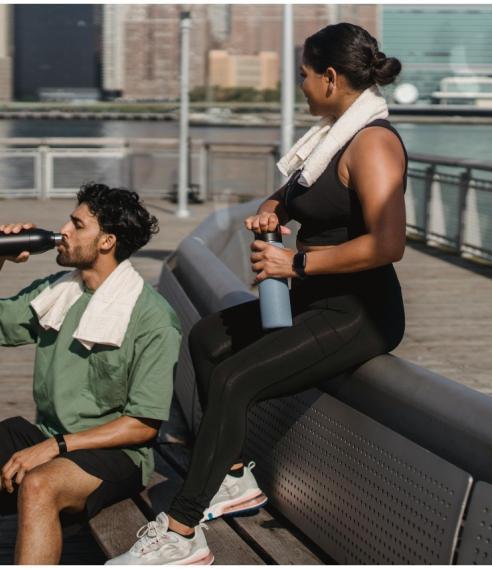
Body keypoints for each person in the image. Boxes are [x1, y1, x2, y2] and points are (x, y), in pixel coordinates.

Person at [108, 23, 407, 565]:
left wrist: (295, 261)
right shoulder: (330, 138)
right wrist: (274, 208)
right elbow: (298, 192)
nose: (302, 86)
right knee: (205, 339)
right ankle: (231, 475)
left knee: (233, 379)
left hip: (358, 312)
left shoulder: (374, 144)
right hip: (312, 301)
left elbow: (388, 244)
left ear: (331, 78)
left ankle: (181, 530)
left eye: (305, 77)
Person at [0, 184, 182, 565]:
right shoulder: (59, 292)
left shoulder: (152, 318)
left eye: (77, 224)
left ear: (107, 242)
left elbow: (142, 426)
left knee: (38, 485)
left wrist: (56, 447)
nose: (63, 231)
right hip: (49, 435)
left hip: (115, 455)